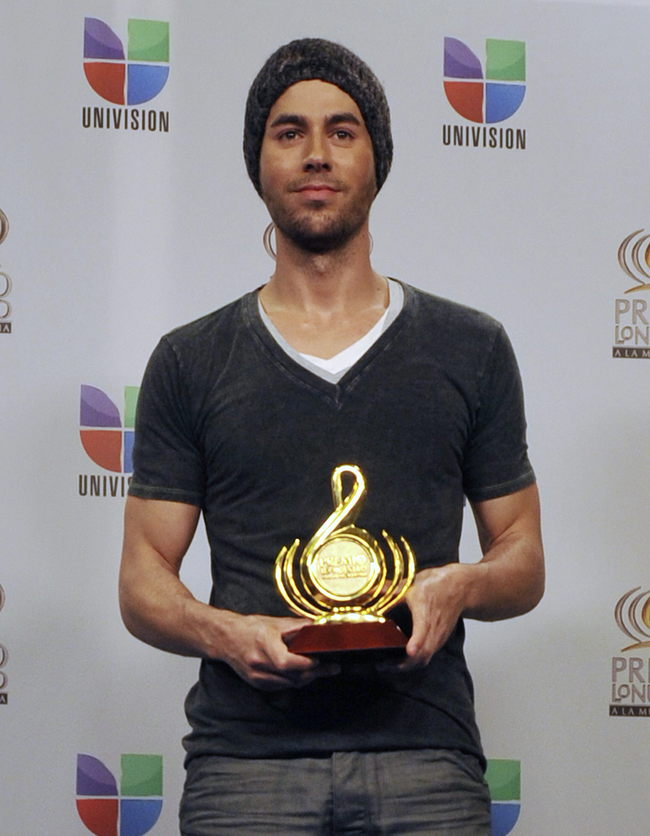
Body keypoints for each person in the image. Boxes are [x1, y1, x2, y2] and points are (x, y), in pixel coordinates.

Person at [119, 38, 544, 835]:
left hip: (426, 759)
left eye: (342, 131)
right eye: (290, 132)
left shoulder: (471, 348)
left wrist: (459, 586)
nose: (316, 153)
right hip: (246, 768)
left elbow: (523, 560)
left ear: (377, 159)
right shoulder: (190, 359)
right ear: (258, 164)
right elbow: (142, 581)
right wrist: (228, 633)